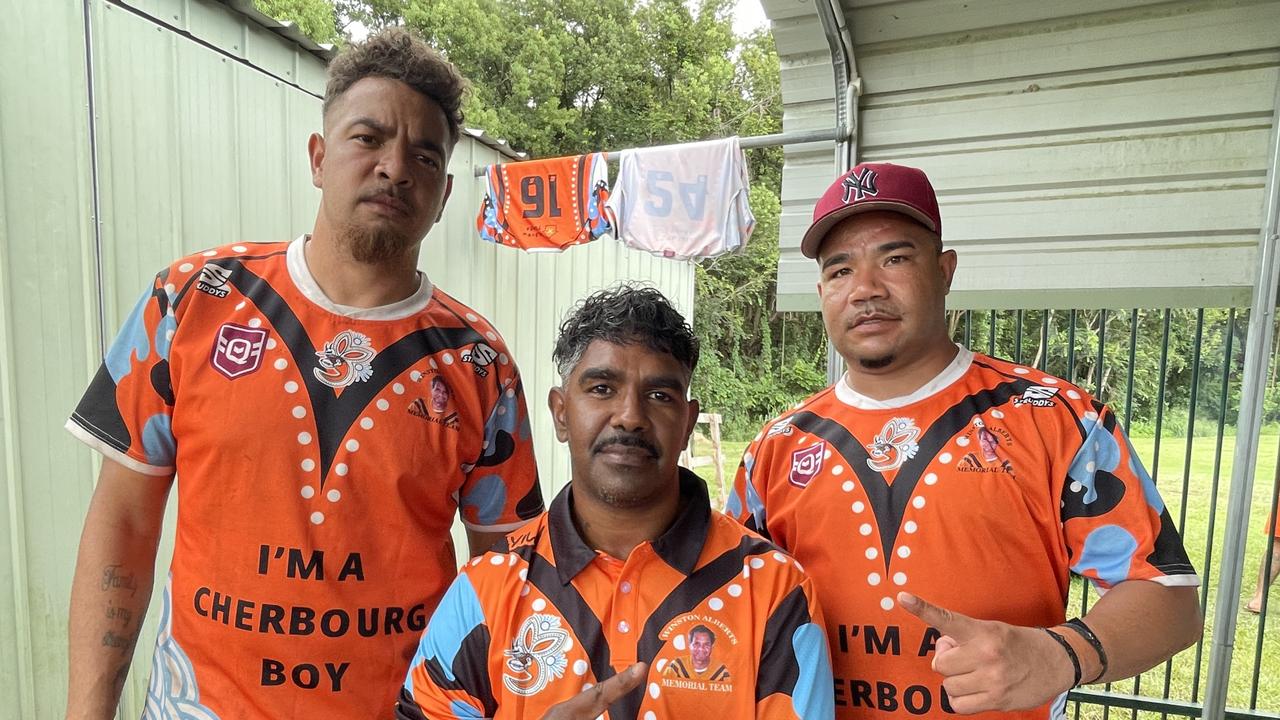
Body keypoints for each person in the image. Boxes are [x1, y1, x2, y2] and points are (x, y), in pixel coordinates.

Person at [63, 28, 543, 719]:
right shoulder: (191, 301)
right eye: (368, 138)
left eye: (426, 155)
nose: (394, 167)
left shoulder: (477, 364)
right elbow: (124, 527)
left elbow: (505, 579)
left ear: (442, 195)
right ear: (318, 158)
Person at [728, 162, 1202, 719]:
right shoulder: (776, 448)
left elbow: (1170, 599)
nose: (866, 289)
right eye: (840, 271)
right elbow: (731, 607)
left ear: (945, 269)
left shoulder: (1055, 419)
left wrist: (1061, 655)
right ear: (821, 291)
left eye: (895, 258)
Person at [397, 286, 835, 719]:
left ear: (687, 423)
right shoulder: (486, 587)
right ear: (560, 413)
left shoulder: (774, 588)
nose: (630, 416)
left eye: (660, 396)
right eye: (603, 388)